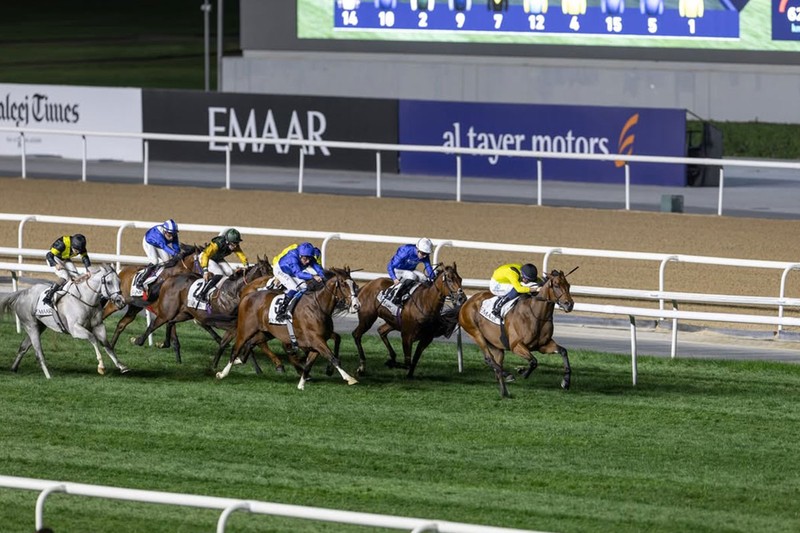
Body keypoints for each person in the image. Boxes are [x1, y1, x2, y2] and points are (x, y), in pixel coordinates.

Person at [274, 242, 326, 321]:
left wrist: (324, 276)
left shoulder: (307, 256)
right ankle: (281, 312)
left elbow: (318, 268)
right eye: (305, 259)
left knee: (304, 287)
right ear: (300, 255)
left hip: (292, 271)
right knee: (294, 288)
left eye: (309, 258)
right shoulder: (293, 257)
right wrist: (313, 276)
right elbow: (298, 274)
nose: (308, 261)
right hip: (281, 270)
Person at [196, 228, 248, 302]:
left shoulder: (234, 244)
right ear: (227, 241)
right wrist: (205, 270)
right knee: (219, 273)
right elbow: (205, 255)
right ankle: (202, 293)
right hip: (207, 258)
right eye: (234, 243)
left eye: (237, 243)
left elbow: (240, 254)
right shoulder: (217, 243)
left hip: (217, 258)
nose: (236, 246)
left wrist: (246, 264)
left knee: (230, 272)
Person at [42, 233, 91, 307]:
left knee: (77, 277)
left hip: (65, 258)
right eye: (76, 250)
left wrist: (88, 269)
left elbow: (85, 258)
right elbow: (49, 255)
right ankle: (48, 296)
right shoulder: (62, 244)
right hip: (54, 258)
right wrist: (55, 264)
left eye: (79, 251)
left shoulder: (81, 247)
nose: (77, 252)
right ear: (72, 245)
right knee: (65, 276)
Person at [386, 237, 435, 304]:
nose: (424, 256)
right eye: (423, 253)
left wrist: (433, 278)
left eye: (427, 254)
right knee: (412, 276)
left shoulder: (424, 254)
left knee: (424, 278)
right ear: (418, 249)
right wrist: (394, 278)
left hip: (410, 270)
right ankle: (398, 297)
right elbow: (390, 266)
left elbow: (428, 267)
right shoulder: (405, 251)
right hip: (397, 270)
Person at [136, 219, 180, 291]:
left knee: (167, 261)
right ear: (165, 231)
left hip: (160, 244)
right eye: (170, 233)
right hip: (149, 242)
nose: (172, 236)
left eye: (173, 234)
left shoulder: (172, 233)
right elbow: (164, 246)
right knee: (154, 261)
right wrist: (175, 254)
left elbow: (176, 246)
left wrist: (178, 253)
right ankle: (140, 280)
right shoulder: (158, 234)